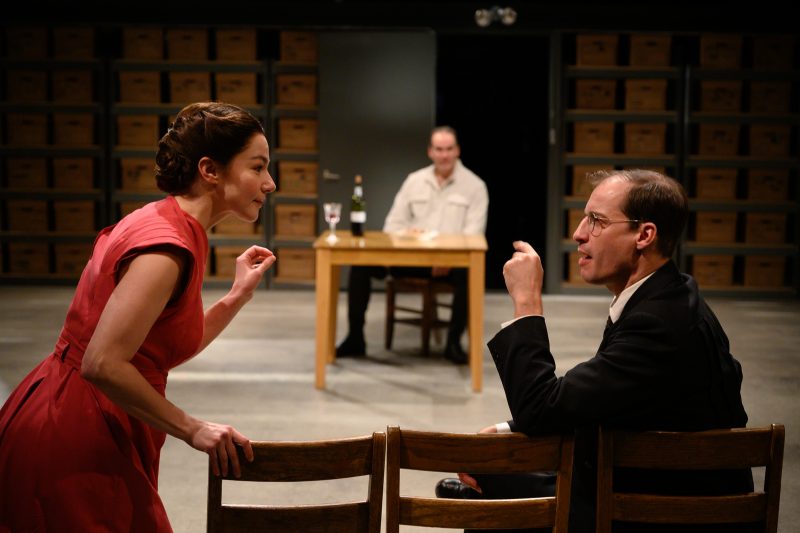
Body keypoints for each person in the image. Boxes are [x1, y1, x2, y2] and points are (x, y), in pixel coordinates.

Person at [0, 102, 276, 532]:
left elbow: (154, 351)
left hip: (90, 416)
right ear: (210, 170)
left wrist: (236, 296)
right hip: (76, 432)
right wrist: (193, 428)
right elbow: (103, 363)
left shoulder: (173, 224)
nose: (270, 183)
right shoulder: (165, 248)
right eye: (258, 167)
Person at [434, 169, 752, 532]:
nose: (579, 234)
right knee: (489, 472)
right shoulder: (671, 295)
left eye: (597, 221)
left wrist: (527, 302)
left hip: (662, 512)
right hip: (649, 484)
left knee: (484, 484)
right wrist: (510, 427)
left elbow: (540, 410)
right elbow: (602, 394)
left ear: (645, 235)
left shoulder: (657, 324)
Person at [335, 126, 489, 364]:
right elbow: (392, 225)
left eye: (449, 149)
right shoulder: (414, 181)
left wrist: (447, 258)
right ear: (430, 151)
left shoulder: (475, 186)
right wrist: (408, 233)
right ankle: (355, 337)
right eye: (439, 149)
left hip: (450, 264)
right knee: (361, 264)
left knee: (469, 275)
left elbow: (474, 235)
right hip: (409, 259)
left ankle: (453, 342)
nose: (444, 155)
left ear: (457, 151)